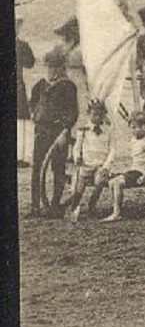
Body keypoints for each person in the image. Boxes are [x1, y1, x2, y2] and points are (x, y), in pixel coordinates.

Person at [74, 110, 145, 223]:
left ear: (144, 127)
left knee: (116, 183)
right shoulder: (135, 139)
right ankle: (115, 210)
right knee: (112, 182)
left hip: (140, 172)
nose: (134, 130)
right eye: (132, 128)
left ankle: (116, 213)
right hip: (134, 170)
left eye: (136, 128)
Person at [29, 51, 80, 215]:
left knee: (58, 168)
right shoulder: (41, 84)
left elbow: (73, 112)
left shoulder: (68, 86)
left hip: (58, 133)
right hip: (41, 131)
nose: (51, 70)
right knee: (37, 168)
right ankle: (35, 206)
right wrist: (34, 114)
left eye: (54, 67)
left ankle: (55, 204)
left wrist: (66, 130)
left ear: (61, 67)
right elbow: (32, 102)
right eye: (49, 67)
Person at [15, 17, 35, 169]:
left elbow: (30, 63)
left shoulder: (22, 45)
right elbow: (30, 63)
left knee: (21, 120)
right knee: (20, 120)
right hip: (17, 86)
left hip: (17, 86)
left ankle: (21, 156)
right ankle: (21, 156)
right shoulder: (21, 45)